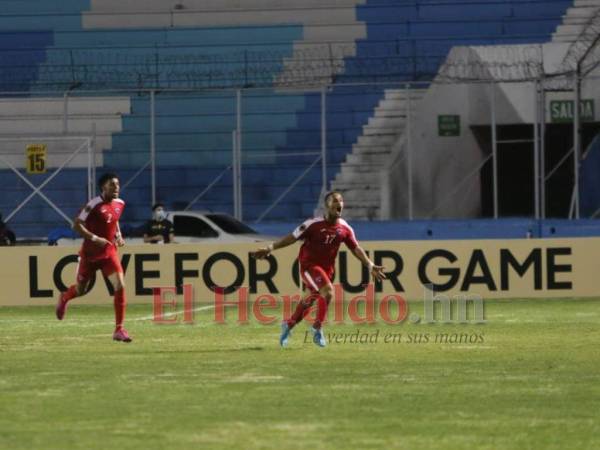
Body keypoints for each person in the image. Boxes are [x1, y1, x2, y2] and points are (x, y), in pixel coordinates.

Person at [251, 191, 386, 348]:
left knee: (308, 301)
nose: (339, 203)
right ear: (327, 205)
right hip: (309, 267)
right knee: (328, 292)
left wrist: (370, 265)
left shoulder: (345, 228)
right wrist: (270, 247)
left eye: (341, 201)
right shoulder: (312, 224)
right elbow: (292, 237)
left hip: (328, 270)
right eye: (335, 200)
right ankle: (317, 328)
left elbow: (355, 248)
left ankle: (288, 324)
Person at [55, 173, 132, 342]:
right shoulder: (93, 204)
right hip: (89, 255)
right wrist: (95, 239)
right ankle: (65, 296)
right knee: (81, 289)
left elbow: (114, 219)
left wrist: (118, 235)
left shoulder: (120, 203)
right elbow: (77, 225)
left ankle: (119, 330)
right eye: (112, 184)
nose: (116, 187)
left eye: (118, 184)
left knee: (119, 285)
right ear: (103, 187)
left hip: (108, 253)